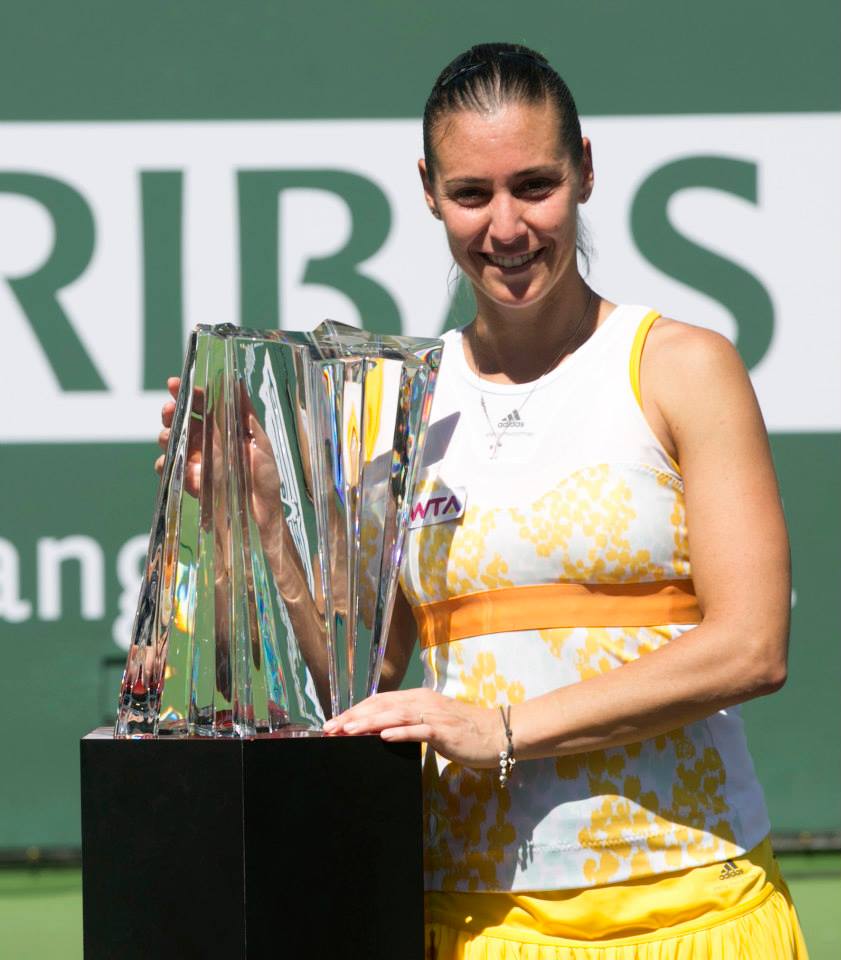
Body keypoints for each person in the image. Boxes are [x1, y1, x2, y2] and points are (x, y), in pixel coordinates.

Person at [158, 42, 806, 959]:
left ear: (585, 168)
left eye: (534, 185)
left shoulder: (681, 367)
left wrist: (499, 729)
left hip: (690, 911)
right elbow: (361, 684)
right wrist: (261, 511)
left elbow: (751, 646)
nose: (505, 227)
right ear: (428, 190)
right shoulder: (397, 405)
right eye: (471, 194)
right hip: (470, 921)